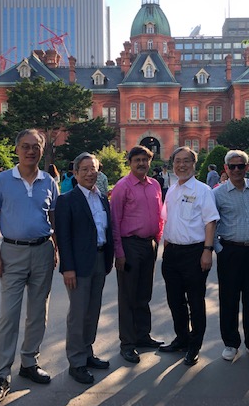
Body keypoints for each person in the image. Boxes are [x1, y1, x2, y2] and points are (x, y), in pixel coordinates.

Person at [0, 129, 59, 406]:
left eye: (36, 147)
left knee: (38, 312)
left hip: (43, 251)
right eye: (25, 146)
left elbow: (54, 219)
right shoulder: (3, 181)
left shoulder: (48, 181)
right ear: (16, 149)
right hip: (12, 253)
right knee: (9, 316)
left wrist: (56, 249)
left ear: (41, 150)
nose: (30, 151)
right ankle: (1, 375)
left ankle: (29, 362)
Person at [55, 152, 114, 384]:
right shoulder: (67, 200)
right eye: (85, 169)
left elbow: (106, 230)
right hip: (77, 266)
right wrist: (67, 268)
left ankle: (88, 352)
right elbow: (63, 237)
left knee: (93, 310)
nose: (90, 173)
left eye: (94, 169)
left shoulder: (101, 198)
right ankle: (76, 362)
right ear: (76, 173)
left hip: (100, 259)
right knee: (78, 313)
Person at [158, 146, 219, 367]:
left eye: (186, 161)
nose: (181, 165)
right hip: (172, 254)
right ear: (172, 164)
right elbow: (168, 221)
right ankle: (181, 338)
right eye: (177, 161)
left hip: (195, 252)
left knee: (195, 301)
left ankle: (195, 344)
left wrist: (207, 251)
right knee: (175, 301)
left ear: (194, 165)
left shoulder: (203, 190)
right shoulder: (172, 190)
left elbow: (210, 221)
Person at [110, 146, 164, 364]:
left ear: (150, 162)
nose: (141, 163)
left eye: (145, 159)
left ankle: (143, 335)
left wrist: (158, 239)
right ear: (129, 162)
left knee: (144, 293)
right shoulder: (122, 187)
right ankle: (127, 343)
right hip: (129, 245)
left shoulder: (155, 185)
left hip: (148, 244)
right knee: (128, 296)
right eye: (137, 160)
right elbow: (114, 222)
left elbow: (160, 215)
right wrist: (119, 253)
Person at [213, 150, 249, 363]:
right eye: (232, 166)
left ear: (247, 168)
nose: (236, 170)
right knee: (229, 299)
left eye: (240, 166)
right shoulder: (217, 194)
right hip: (230, 251)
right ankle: (231, 343)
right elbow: (210, 223)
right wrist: (218, 248)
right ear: (225, 169)